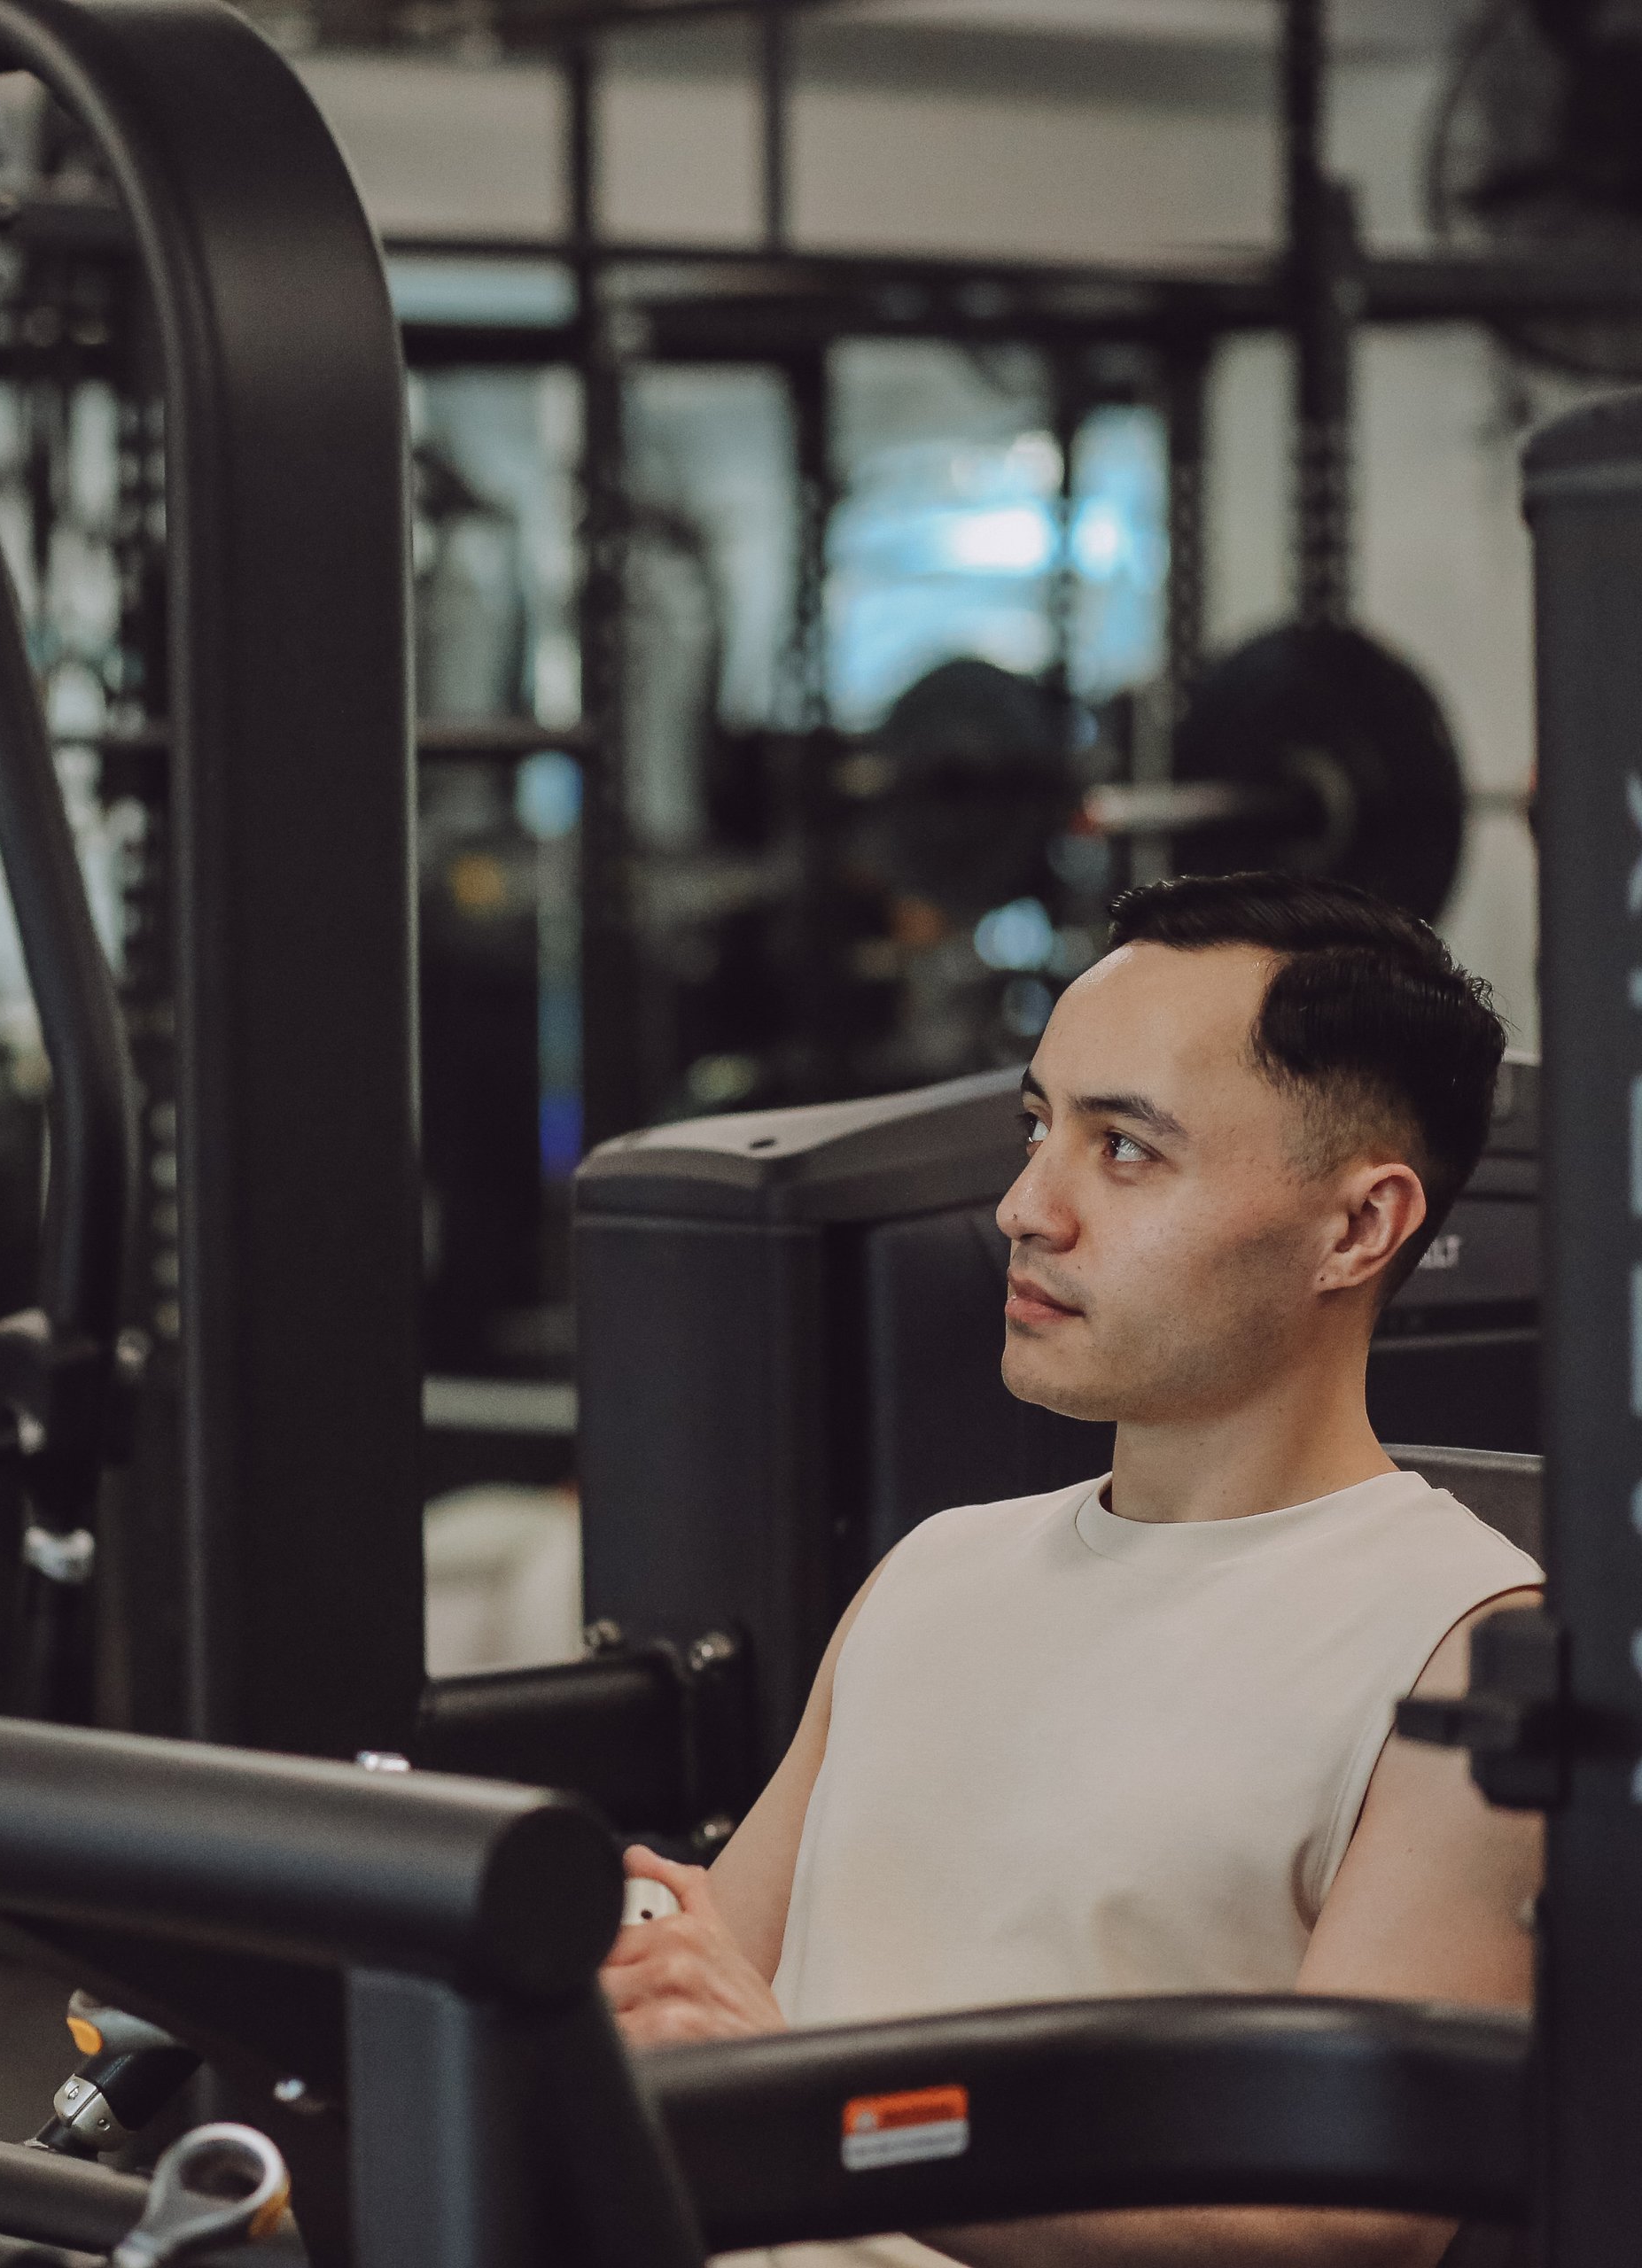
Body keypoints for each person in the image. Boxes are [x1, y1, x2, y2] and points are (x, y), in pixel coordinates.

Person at [605, 873, 1537, 2268]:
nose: (1025, 1209)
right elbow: (707, 2000)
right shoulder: (936, 1573)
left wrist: (821, 2124)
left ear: (1356, 1229)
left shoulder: (1465, 1657)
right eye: (1039, 1126)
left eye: (1126, 1151)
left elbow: (1345, 2218)